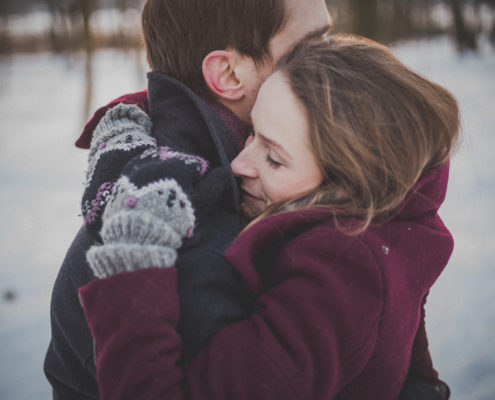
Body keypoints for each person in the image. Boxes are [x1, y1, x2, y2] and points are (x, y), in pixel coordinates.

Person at [77, 34, 459, 400]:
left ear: (350, 183)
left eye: (274, 158)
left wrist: (133, 264)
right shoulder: (391, 229)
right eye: (251, 133)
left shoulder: (339, 277)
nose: (240, 164)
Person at [44, 0, 331, 398]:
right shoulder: (182, 231)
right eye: (311, 46)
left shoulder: (267, 175)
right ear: (228, 73)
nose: (336, 60)